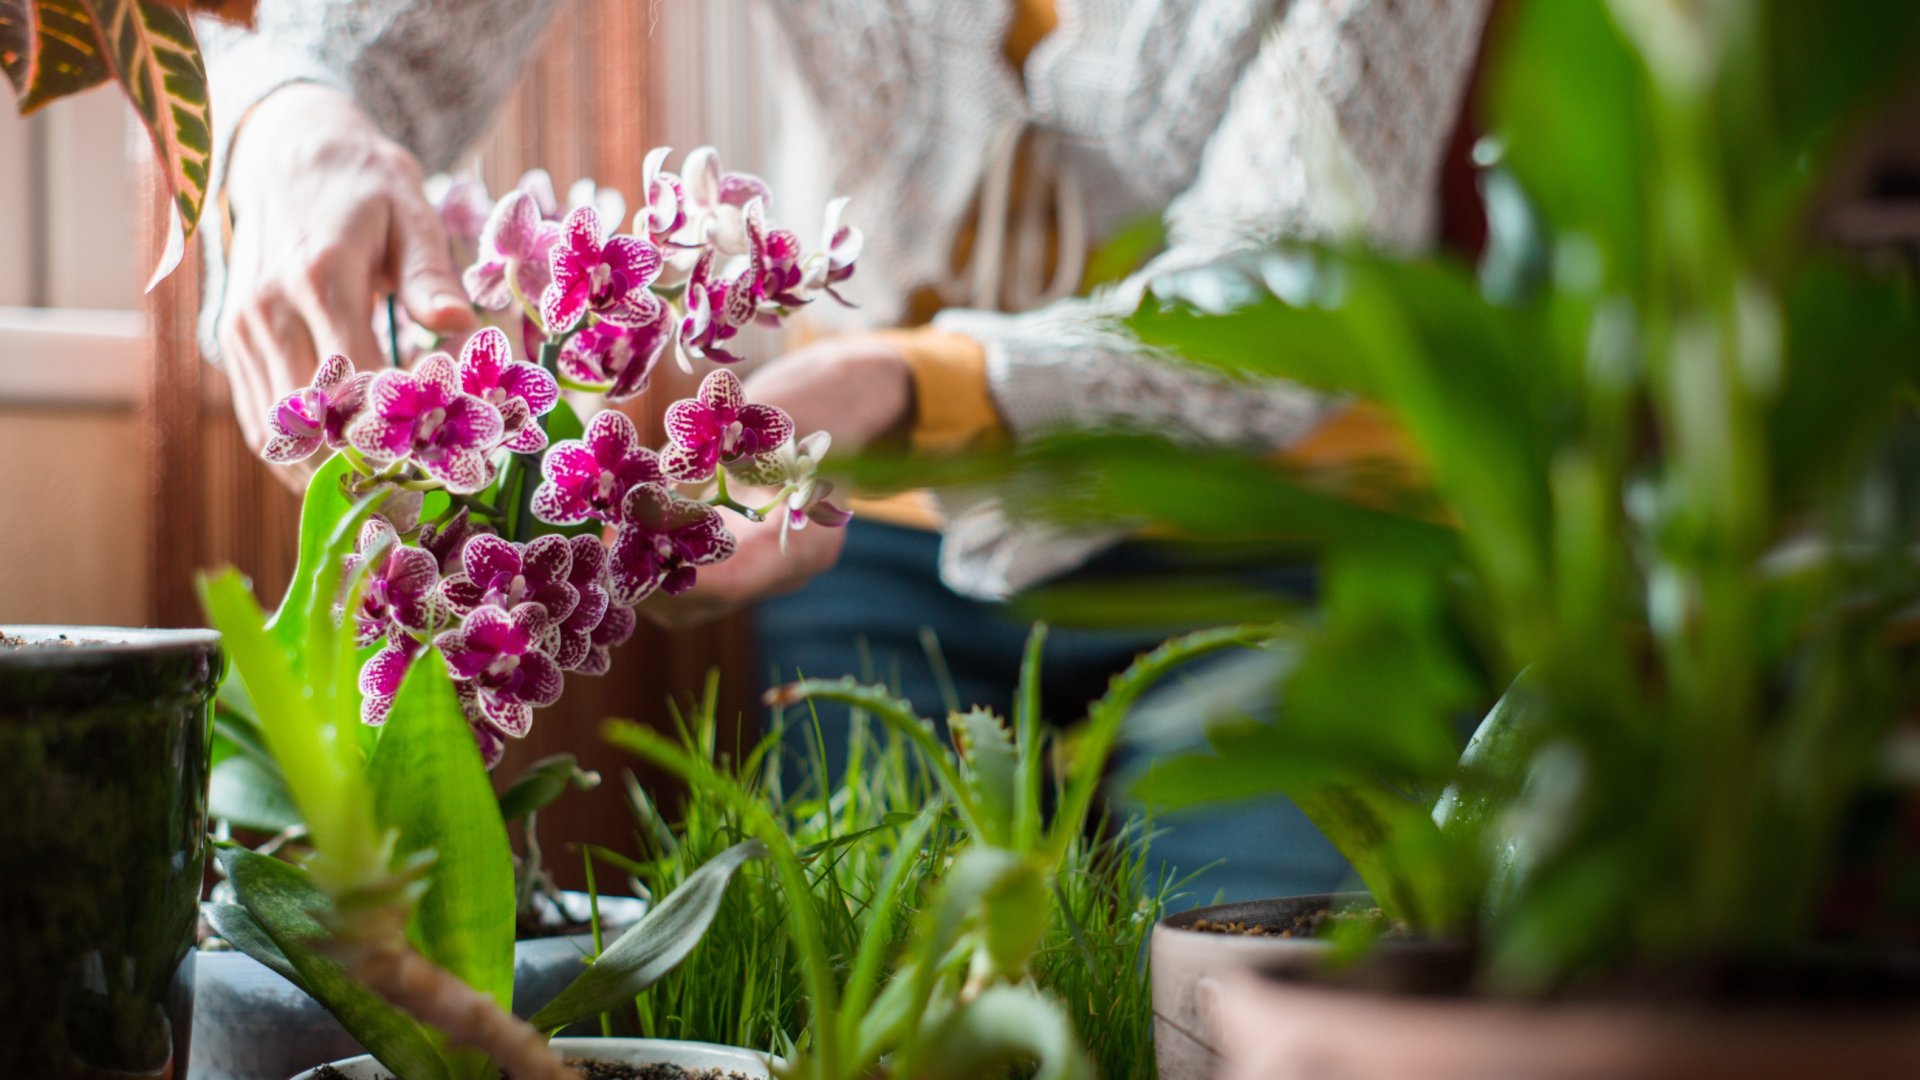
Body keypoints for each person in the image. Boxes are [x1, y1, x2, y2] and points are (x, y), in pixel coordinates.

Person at [198, 0, 1489, 901]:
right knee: (854, 996)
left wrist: (905, 383)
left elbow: (1291, 293)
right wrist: (293, 113)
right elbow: (369, 39)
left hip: (1288, 533)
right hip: (874, 544)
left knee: (1254, 999)